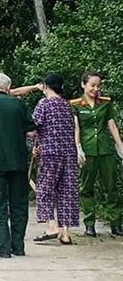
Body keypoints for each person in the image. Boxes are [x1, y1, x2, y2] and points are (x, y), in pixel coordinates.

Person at [0, 73, 36, 258]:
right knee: (19, 203)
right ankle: (18, 246)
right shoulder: (18, 104)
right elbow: (31, 130)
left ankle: (3, 247)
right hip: (18, 160)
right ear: (8, 87)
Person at [70, 71, 123, 237]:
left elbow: (112, 125)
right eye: (92, 85)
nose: (96, 89)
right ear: (83, 85)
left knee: (111, 186)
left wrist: (120, 146)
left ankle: (115, 223)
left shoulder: (105, 103)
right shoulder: (76, 104)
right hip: (88, 150)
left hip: (105, 149)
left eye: (98, 85)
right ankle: (89, 224)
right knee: (86, 188)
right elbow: (76, 127)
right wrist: (78, 147)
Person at [31, 73, 80, 245]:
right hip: (69, 154)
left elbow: (34, 127)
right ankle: (65, 233)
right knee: (66, 192)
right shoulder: (68, 106)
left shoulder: (44, 104)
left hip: (51, 153)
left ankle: (52, 226)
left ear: (46, 86)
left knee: (44, 189)